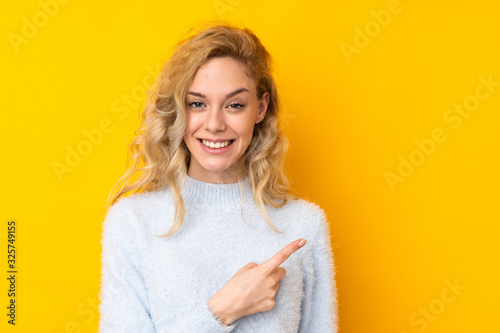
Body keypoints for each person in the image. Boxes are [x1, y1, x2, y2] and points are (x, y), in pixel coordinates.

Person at [99, 22, 338, 332]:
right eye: (197, 104)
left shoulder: (304, 226)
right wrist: (222, 310)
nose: (214, 124)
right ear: (179, 110)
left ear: (261, 108)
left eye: (234, 105)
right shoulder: (132, 222)